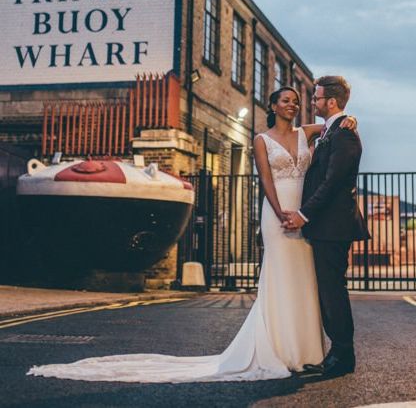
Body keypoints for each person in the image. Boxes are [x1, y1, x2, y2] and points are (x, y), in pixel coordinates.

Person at [27, 85, 358, 383]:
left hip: (304, 213)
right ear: (272, 106)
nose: (293, 105)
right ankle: (281, 351)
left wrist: (350, 118)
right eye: (286, 100)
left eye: (297, 101)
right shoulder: (261, 139)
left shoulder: (307, 132)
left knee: (306, 282)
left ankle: (309, 354)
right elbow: (265, 181)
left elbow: (335, 125)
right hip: (279, 214)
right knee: (281, 278)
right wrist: (279, 212)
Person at [282, 74, 369, 379]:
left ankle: (343, 354)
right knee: (328, 290)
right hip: (325, 227)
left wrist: (303, 215)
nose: (313, 102)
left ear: (331, 101)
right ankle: (338, 351)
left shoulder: (344, 135)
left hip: (332, 226)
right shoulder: (333, 130)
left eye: (316, 98)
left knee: (333, 291)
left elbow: (332, 183)